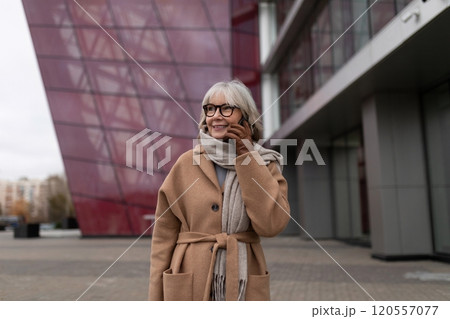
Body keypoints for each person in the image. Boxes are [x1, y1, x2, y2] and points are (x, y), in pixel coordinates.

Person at [148, 79, 290, 301]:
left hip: (243, 280)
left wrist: (246, 156)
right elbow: (163, 236)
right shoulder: (186, 163)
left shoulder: (265, 164)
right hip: (189, 280)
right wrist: (155, 299)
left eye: (226, 108)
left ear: (246, 117)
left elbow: (271, 224)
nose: (216, 116)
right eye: (210, 109)